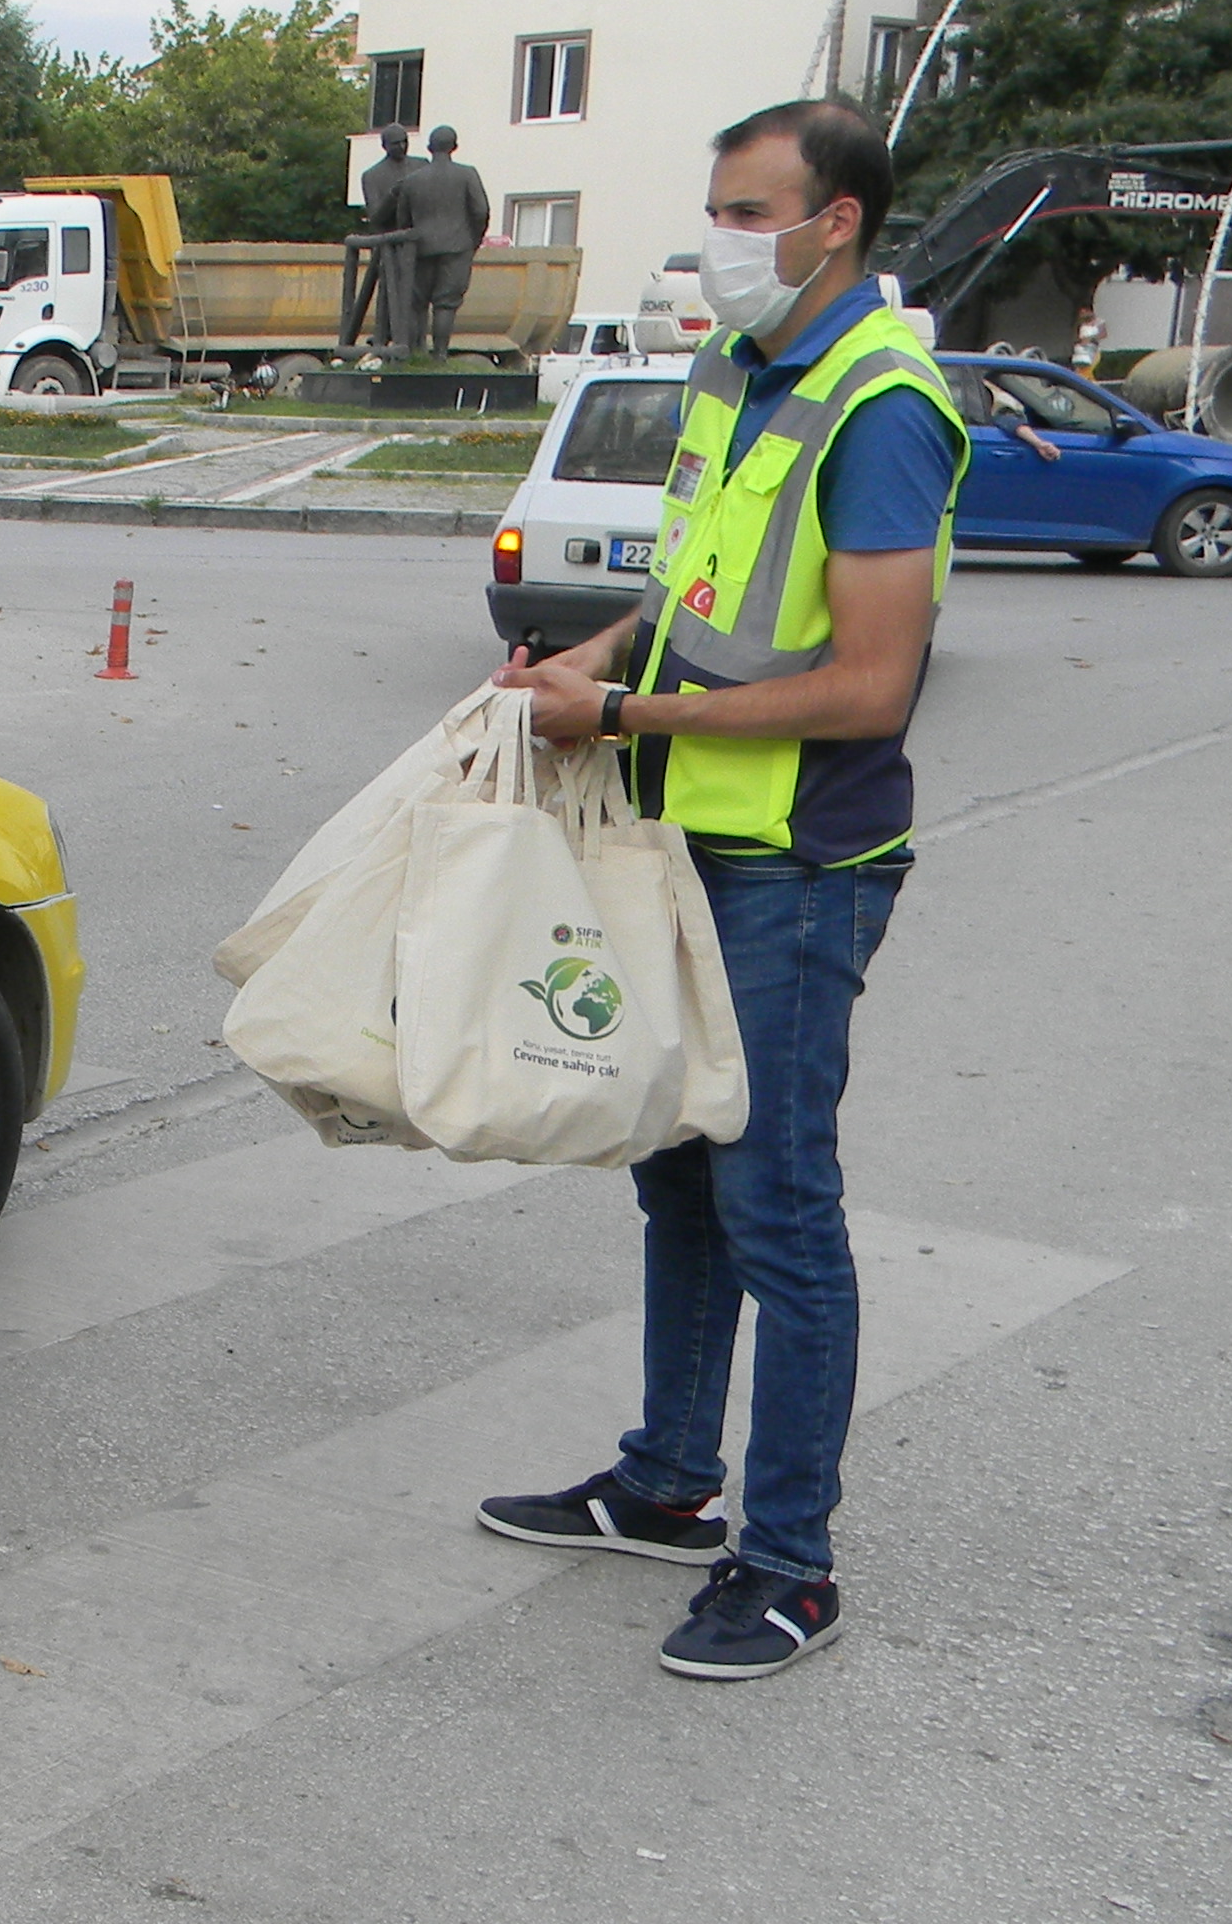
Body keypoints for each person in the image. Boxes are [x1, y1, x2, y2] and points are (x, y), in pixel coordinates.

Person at [480, 97, 964, 1680]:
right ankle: (669, 1484)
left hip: (803, 864)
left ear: (840, 227)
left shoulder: (884, 408)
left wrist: (617, 716)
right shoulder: (729, 371)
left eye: (752, 214)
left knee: (774, 1200)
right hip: (683, 835)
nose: (720, 243)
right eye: (715, 210)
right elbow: (690, 584)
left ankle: (792, 1563)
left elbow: (871, 687)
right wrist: (592, 659)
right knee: (676, 1170)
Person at [408, 126, 494, 358]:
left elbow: (403, 219)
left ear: (429, 147)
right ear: (454, 147)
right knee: (446, 303)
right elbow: (481, 211)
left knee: (418, 302)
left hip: (421, 248)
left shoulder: (413, 180)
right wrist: (473, 239)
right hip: (457, 246)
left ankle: (416, 353)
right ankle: (440, 354)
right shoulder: (467, 174)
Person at [356, 123, 419, 354]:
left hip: (419, 242)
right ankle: (382, 340)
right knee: (388, 293)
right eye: (395, 143)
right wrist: (394, 195)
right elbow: (375, 216)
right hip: (389, 246)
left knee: (418, 296)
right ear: (384, 146)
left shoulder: (421, 166)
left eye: (405, 141)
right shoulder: (372, 176)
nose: (401, 146)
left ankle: (416, 344)